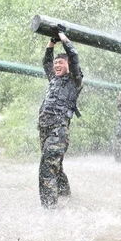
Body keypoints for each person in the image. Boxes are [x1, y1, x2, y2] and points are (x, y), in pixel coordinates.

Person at [38, 24, 83, 208]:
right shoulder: (54, 79)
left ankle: (49, 210)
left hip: (58, 130)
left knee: (47, 169)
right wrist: (51, 43)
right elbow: (46, 62)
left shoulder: (74, 80)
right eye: (56, 63)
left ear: (69, 66)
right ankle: (65, 196)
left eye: (60, 63)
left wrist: (63, 37)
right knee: (56, 166)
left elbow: (74, 56)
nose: (56, 65)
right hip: (45, 129)